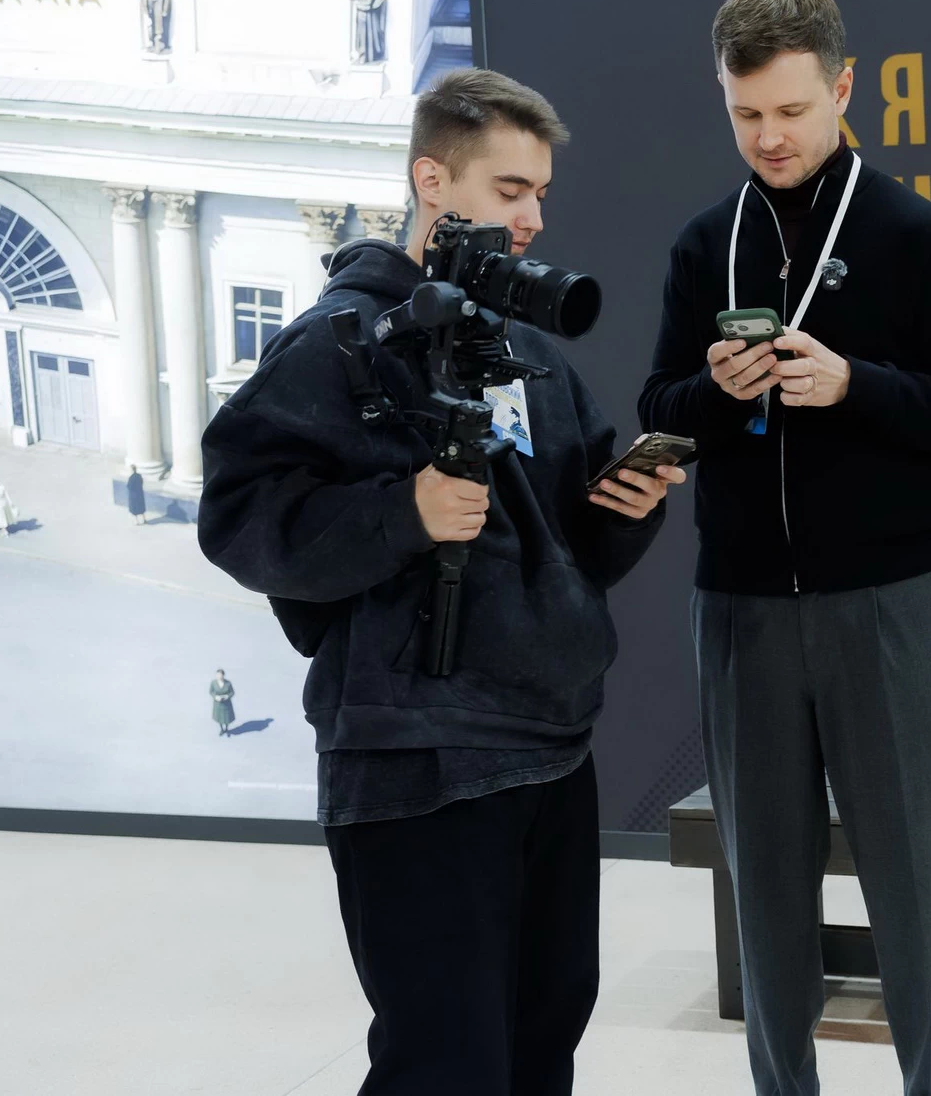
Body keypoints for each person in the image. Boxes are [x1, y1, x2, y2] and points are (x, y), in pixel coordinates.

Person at [198, 68, 686, 1096]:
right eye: (510, 189)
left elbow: (569, 550)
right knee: (444, 1066)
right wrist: (402, 515)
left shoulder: (528, 352)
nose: (532, 214)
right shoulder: (337, 344)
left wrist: (623, 507)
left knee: (541, 1046)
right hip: (414, 764)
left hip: (549, 749)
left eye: (539, 191)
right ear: (433, 179)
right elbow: (238, 518)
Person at [640, 0, 931, 1096]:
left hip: (888, 607)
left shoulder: (913, 235)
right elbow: (661, 408)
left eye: (792, 110)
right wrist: (713, 392)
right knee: (762, 898)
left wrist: (858, 386)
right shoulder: (704, 244)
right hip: (739, 609)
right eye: (745, 113)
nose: (769, 137)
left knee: (917, 895)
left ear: (844, 88)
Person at [210, 670, 236, 737]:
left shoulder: (228, 683)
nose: (218, 676)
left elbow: (232, 692)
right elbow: (211, 691)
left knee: (227, 718)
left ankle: (226, 728)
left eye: (220, 675)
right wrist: (215, 697)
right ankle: (221, 729)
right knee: (219, 717)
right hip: (218, 704)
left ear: (223, 675)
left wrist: (227, 696)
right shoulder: (213, 683)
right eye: (217, 675)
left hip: (226, 704)